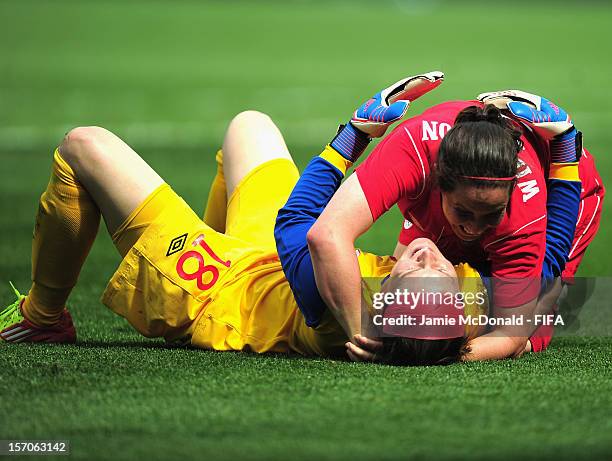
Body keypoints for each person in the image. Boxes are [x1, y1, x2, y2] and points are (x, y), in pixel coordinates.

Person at [0, 77, 601, 365]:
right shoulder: (461, 313)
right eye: (440, 266)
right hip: (270, 256)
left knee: (85, 145)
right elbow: (546, 265)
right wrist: (567, 149)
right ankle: (222, 227)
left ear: (378, 302)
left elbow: (303, 227)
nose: (429, 254)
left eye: (413, 268)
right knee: (250, 123)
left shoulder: (335, 307)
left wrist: (352, 137)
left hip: (215, 287)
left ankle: (42, 318)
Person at [304, 76, 605, 361]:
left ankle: (564, 139)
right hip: (439, 179)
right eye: (463, 212)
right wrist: (364, 334)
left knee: (537, 307)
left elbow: (510, 333)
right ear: (436, 184)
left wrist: (441, 355)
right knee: (416, 287)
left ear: (509, 196)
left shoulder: (521, 215)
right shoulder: (410, 150)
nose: (473, 228)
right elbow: (326, 235)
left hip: (564, 185)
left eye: (490, 214)